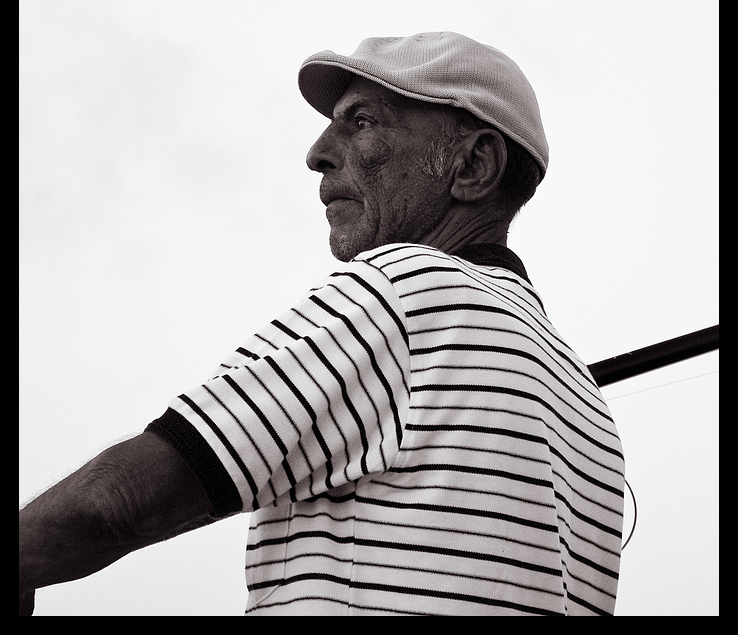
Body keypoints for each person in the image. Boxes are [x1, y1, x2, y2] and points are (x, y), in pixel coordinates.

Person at [19, 31, 625, 616]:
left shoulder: (408, 291)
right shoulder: (585, 400)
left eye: (361, 121)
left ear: (472, 166)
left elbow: (114, 505)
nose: (317, 153)